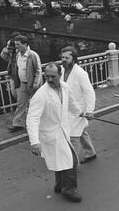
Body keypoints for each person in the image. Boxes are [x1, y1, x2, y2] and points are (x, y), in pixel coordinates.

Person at [27, 63, 86, 202]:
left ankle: (60, 185)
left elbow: (71, 103)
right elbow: (32, 118)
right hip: (50, 134)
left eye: (53, 76)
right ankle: (69, 190)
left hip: (63, 131)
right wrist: (34, 142)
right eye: (46, 76)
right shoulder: (41, 95)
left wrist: (81, 113)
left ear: (60, 75)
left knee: (61, 160)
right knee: (70, 160)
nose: (49, 79)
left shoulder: (65, 87)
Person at [60, 46, 97, 164]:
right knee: (81, 131)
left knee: (73, 136)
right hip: (66, 108)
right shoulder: (61, 70)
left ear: (74, 59)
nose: (64, 60)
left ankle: (72, 164)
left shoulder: (81, 73)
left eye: (67, 57)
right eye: (62, 57)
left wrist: (90, 110)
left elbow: (89, 92)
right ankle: (90, 152)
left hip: (79, 110)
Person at [7, 35, 42, 132]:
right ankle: (18, 124)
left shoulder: (33, 55)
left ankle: (41, 122)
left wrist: (36, 83)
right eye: (15, 44)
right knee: (20, 104)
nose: (16, 47)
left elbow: (38, 71)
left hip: (32, 84)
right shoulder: (18, 55)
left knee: (36, 104)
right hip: (22, 83)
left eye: (18, 44)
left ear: (25, 44)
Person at [0, 32, 21, 99]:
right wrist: (8, 47)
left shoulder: (22, 50)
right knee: (14, 95)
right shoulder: (11, 50)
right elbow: (3, 56)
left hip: (20, 76)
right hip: (12, 75)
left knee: (22, 97)